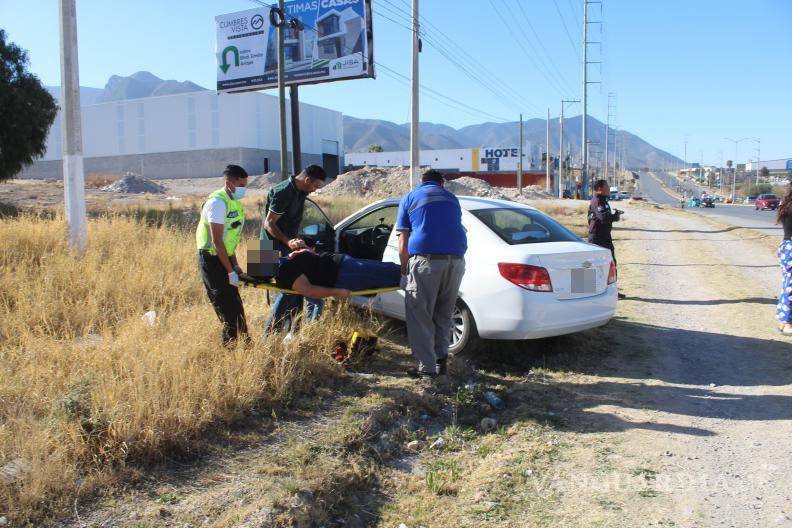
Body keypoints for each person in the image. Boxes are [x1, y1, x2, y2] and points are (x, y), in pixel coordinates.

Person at [396, 169, 467, 378]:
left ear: (422, 183)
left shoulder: (410, 197)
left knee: (420, 316)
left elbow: (402, 243)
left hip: (426, 263)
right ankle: (440, 363)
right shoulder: (452, 199)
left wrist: (404, 271)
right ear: (441, 184)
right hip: (455, 263)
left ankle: (426, 369)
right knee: (443, 315)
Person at [261, 164, 327, 332]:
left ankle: (293, 332)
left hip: (286, 246)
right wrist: (288, 241)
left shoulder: (302, 192)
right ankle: (270, 333)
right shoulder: (282, 192)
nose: (314, 190)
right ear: (306, 180)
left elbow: (291, 223)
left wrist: (299, 241)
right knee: (287, 290)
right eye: (315, 186)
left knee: (295, 290)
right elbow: (268, 224)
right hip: (266, 248)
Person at [195, 164, 250, 344]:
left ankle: (246, 343)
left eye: (245, 185)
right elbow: (217, 241)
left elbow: (230, 240)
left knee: (236, 305)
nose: (243, 189)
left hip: (225, 258)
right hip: (212, 259)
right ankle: (230, 349)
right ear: (229, 183)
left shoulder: (234, 202)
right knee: (225, 307)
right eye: (241, 185)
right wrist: (230, 271)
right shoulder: (217, 203)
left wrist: (235, 265)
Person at [274, 249, 401, 299]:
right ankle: (418, 275)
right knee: (391, 273)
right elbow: (309, 291)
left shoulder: (282, 262)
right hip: (343, 274)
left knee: (389, 269)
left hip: (343, 264)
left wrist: (302, 252)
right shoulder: (283, 272)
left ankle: (416, 274)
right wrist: (336, 292)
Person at [588, 179, 625, 299]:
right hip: (597, 239)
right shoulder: (597, 201)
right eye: (607, 186)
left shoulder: (603, 201)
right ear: (600, 189)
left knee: (611, 264)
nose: (609, 188)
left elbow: (606, 217)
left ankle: (612, 291)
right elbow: (603, 217)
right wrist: (611, 217)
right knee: (595, 265)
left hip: (605, 237)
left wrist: (616, 216)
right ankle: (589, 291)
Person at [775, 186, 792, 335]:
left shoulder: (786, 203)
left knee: (787, 285)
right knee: (790, 287)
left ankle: (783, 321)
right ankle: (787, 323)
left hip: (786, 247)